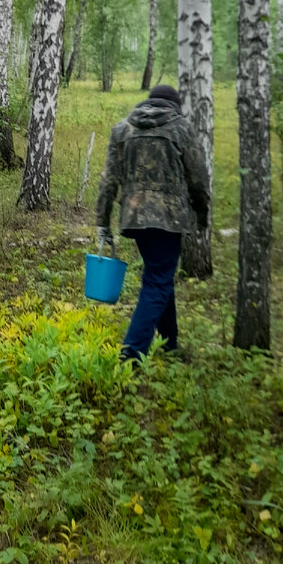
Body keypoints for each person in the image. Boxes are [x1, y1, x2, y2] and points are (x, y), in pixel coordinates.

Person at [94, 83, 210, 361]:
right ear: (175, 105)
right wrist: (202, 214)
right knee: (157, 281)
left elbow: (108, 180)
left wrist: (102, 222)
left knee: (160, 275)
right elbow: (198, 179)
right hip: (170, 218)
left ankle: (169, 343)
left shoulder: (123, 129)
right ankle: (131, 355)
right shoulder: (182, 129)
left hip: (134, 218)